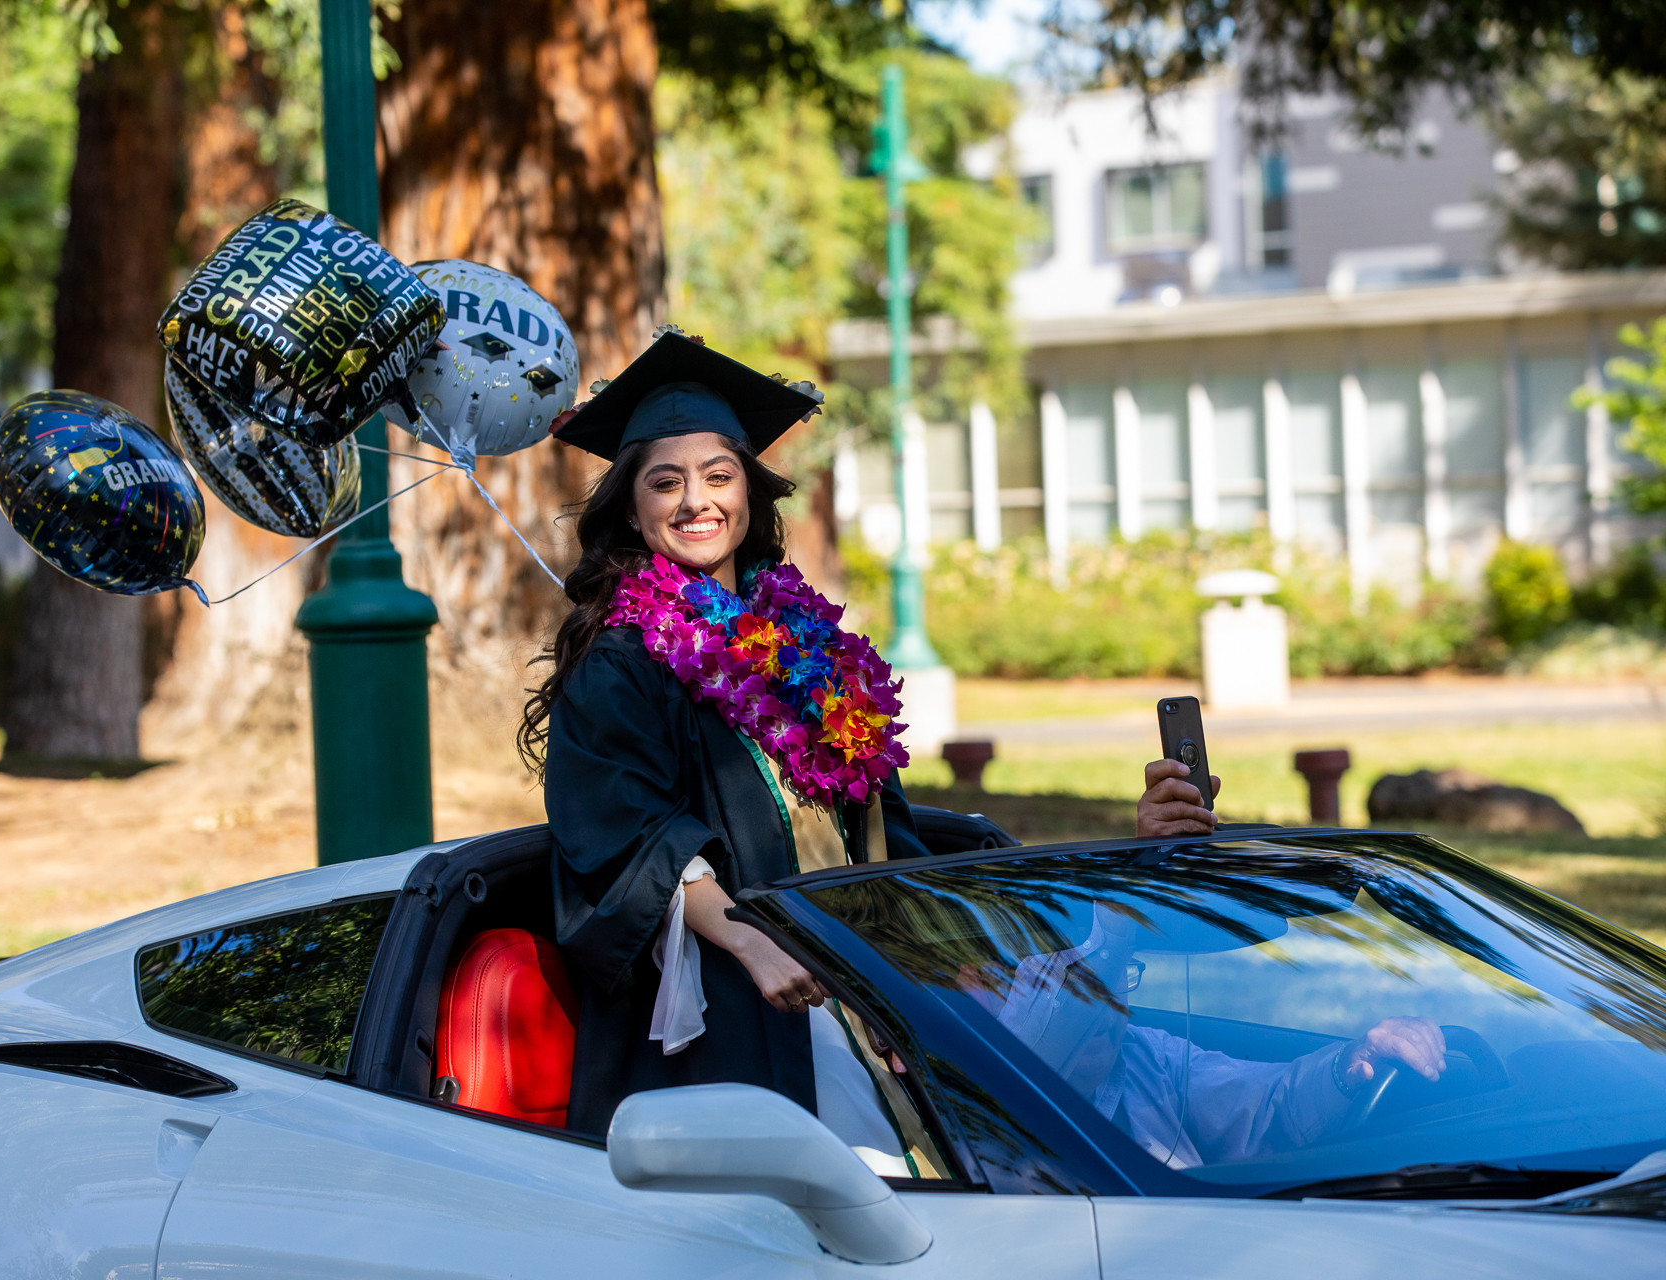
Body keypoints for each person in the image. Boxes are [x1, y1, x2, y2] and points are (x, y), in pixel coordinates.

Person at [521, 330, 1219, 1146]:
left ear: (751, 491)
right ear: (633, 509)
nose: (695, 501)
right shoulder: (623, 660)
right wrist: (751, 942)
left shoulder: (800, 641)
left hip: (861, 970)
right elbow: (624, 834)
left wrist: (1099, 874)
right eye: (665, 483)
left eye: (718, 476)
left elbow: (880, 840)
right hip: (752, 1003)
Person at [962, 904, 1448, 1169]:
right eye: (1044, 982)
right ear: (971, 992)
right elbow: (1033, 1065)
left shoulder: (1148, 1057)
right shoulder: (953, 1088)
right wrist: (1112, 926)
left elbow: (1269, 1106)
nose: (1104, 1007)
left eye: (1114, 978)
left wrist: (1352, 1066)